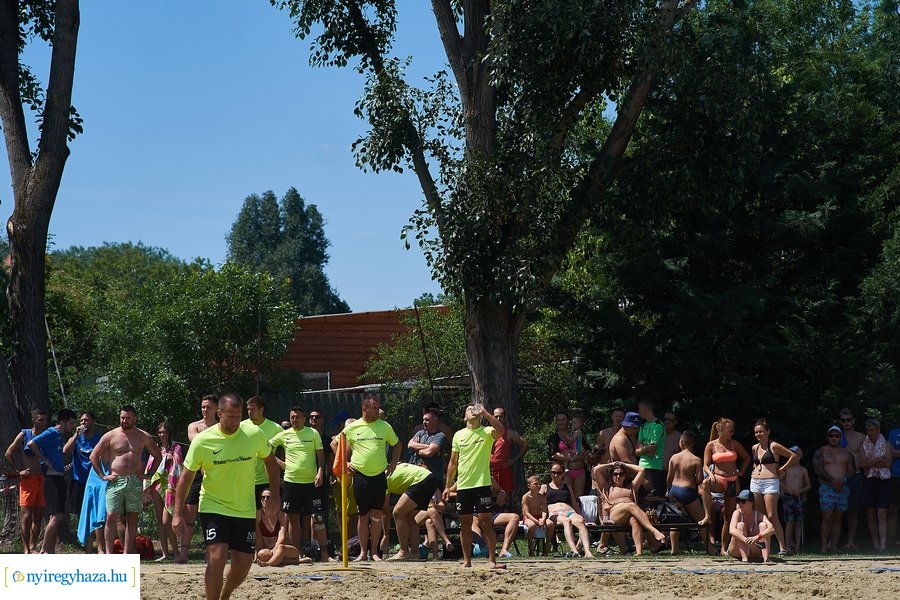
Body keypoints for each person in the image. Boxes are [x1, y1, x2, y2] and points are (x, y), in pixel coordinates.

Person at [172, 393, 281, 600]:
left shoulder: (253, 434)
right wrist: (177, 513)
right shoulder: (203, 440)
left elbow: (270, 460)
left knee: (243, 564)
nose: (235, 421)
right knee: (217, 555)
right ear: (219, 413)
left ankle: (225, 594)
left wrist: (275, 493)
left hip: (244, 508)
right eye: (230, 416)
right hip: (214, 505)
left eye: (238, 416)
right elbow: (185, 478)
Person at [90, 404, 161, 555]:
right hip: (116, 480)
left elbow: (157, 455)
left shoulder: (143, 436)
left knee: (132, 518)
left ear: (135, 419)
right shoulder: (110, 435)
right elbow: (93, 456)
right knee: (111, 516)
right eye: (122, 417)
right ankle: (109, 553)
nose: (124, 421)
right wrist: (103, 476)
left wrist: (149, 474)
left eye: (128, 418)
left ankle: (127, 553)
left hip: (135, 480)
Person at [444, 403, 507, 568]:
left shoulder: (486, 432)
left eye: (475, 409)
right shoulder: (458, 435)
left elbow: (501, 431)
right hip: (464, 486)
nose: (472, 410)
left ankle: (492, 560)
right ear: (465, 417)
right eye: (469, 409)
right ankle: (467, 561)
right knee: (465, 523)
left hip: (482, 484)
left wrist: (485, 413)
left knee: (485, 522)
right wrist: (447, 486)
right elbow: (453, 462)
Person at [340, 394, 401, 561]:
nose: (377, 411)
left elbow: (397, 445)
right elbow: (336, 444)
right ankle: (362, 552)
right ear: (364, 408)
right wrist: (345, 463)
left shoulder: (384, 426)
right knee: (363, 515)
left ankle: (374, 552)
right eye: (374, 408)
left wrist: (393, 464)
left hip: (379, 476)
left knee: (376, 514)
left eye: (377, 407)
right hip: (360, 476)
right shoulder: (353, 427)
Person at [267, 406, 329, 562]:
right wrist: (280, 463)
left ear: (304, 419)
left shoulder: (313, 433)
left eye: (297, 417)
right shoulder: (284, 435)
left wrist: (320, 472)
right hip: (291, 482)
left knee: (315, 517)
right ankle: (297, 554)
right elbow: (267, 449)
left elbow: (321, 457)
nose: (294, 420)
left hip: (311, 483)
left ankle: (321, 553)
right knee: (293, 518)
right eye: (292, 417)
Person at [26, 408, 77, 553]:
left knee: (56, 517)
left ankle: (50, 550)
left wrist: (63, 467)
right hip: (52, 479)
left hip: (59, 476)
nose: (72, 426)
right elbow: (31, 444)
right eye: (71, 423)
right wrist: (44, 460)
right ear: (62, 422)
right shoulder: (51, 432)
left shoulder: (59, 436)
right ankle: (44, 550)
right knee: (57, 516)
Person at [176, 394, 218, 563]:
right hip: (195, 473)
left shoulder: (221, 427)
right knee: (189, 515)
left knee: (211, 515)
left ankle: (210, 553)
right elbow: (196, 441)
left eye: (208, 407)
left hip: (214, 473)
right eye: (203, 406)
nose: (205, 410)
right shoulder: (194, 426)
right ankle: (184, 553)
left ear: (217, 409)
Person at [594, 461, 667, 555]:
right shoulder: (607, 487)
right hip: (615, 515)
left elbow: (641, 470)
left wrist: (624, 465)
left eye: (621, 474)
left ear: (625, 476)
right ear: (611, 476)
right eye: (615, 474)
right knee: (631, 505)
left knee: (634, 520)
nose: (618, 476)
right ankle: (654, 531)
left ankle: (639, 552)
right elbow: (596, 470)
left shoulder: (631, 487)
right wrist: (612, 464)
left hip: (629, 515)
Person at [701, 417, 750, 553]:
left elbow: (746, 458)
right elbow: (705, 464)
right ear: (721, 430)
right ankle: (707, 515)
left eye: (733, 430)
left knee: (728, 516)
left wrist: (741, 471)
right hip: (718, 478)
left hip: (733, 480)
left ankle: (723, 547)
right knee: (705, 484)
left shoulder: (735, 444)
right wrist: (710, 474)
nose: (732, 433)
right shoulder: (711, 445)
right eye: (730, 430)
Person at [749, 418, 797, 555]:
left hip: (770, 482)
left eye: (761, 431)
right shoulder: (755, 447)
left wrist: (783, 469)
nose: (758, 434)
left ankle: (783, 547)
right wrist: (754, 469)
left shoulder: (774, 446)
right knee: (761, 515)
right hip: (756, 482)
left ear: (768, 431)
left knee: (771, 515)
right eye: (756, 432)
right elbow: (755, 462)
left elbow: (793, 456)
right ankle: (765, 547)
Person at [4, 409, 49, 553]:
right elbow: (8, 453)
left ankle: (32, 546)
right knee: (26, 516)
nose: (44, 422)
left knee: (38, 516)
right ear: (33, 420)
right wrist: (19, 472)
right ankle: (25, 549)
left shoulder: (48, 436)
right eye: (40, 420)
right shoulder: (25, 434)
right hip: (28, 480)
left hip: (42, 479)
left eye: (45, 420)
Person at [384, 462, 441, 560]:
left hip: (421, 480)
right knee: (409, 517)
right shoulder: (394, 468)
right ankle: (415, 553)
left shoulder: (381, 480)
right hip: (430, 479)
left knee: (397, 512)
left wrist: (385, 535)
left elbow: (385, 511)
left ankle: (403, 551)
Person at [143, 421, 182, 560]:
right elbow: (150, 465)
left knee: (166, 521)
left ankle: (176, 552)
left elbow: (178, 466)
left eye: (164, 432)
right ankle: (165, 553)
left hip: (170, 487)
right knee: (160, 521)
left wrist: (169, 459)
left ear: (169, 433)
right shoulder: (156, 448)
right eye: (160, 432)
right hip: (156, 485)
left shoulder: (176, 447)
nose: (162, 435)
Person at [813, 425, 855, 553]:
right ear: (828, 437)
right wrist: (832, 480)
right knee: (827, 516)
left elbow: (852, 471)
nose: (834, 438)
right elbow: (818, 469)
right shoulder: (821, 451)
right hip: (827, 487)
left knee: (838, 517)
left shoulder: (847, 453)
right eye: (831, 435)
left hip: (842, 488)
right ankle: (823, 546)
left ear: (840, 437)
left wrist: (843, 480)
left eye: (836, 435)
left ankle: (834, 546)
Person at [63, 411, 103, 542]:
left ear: (93, 422)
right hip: (78, 481)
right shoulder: (77, 438)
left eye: (86, 420)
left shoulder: (99, 439)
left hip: (95, 482)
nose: (83, 423)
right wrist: (76, 435)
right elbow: (65, 451)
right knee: (82, 512)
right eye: (81, 421)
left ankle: (99, 544)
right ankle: (85, 542)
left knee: (97, 512)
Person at [666, 431, 707, 553]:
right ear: (693, 443)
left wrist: (668, 490)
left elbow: (669, 478)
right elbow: (699, 480)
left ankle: (674, 549)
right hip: (687, 491)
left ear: (681, 442)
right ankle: (709, 547)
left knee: (675, 519)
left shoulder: (674, 457)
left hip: (674, 490)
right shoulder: (696, 460)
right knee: (701, 520)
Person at [544, 461, 594, 558]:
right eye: (553, 472)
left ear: (563, 474)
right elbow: (539, 501)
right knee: (567, 521)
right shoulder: (545, 487)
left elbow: (574, 503)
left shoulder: (567, 486)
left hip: (569, 511)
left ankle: (587, 551)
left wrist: (581, 515)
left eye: (558, 473)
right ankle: (574, 550)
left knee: (581, 521)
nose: (555, 475)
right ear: (550, 473)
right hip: (555, 513)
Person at [241, 396, 283, 509]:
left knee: (267, 514)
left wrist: (284, 471)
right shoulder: (241, 427)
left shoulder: (276, 428)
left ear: (261, 410)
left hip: (266, 481)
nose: (249, 412)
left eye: (252, 409)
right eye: (248, 409)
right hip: (245, 480)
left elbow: (288, 449)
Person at [859, 418, 891, 552]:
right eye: (867, 430)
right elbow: (862, 464)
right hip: (869, 480)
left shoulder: (887, 444)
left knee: (882, 513)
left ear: (878, 430)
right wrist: (879, 459)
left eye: (872, 430)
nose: (869, 432)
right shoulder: (863, 445)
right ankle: (876, 544)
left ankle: (883, 545)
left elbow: (887, 463)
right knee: (870, 513)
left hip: (883, 481)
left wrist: (870, 462)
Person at [255, 487, 306, 567]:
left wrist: (275, 549)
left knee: (280, 548)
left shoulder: (282, 515)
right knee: (261, 554)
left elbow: (282, 537)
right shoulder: (257, 515)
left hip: (285, 547)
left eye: (268, 497)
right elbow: (259, 539)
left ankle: (268, 563)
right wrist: (258, 553)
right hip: (269, 549)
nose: (265, 499)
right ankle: (294, 561)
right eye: (263, 497)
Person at [837, 408, 866, 550]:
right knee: (837, 510)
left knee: (853, 510)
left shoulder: (861, 437)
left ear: (853, 421)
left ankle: (851, 541)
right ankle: (834, 541)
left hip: (856, 476)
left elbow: (866, 457)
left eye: (848, 420)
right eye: (843, 420)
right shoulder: (836, 435)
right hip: (839, 477)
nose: (846, 422)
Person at [548, 410, 588, 498]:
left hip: (580, 470)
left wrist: (580, 457)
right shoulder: (554, 437)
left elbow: (587, 450)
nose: (561, 422)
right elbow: (553, 454)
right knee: (566, 497)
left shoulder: (575, 433)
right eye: (559, 420)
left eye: (563, 419)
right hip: (565, 472)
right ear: (556, 422)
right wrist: (570, 459)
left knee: (579, 499)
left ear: (567, 421)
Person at [489, 407, 528, 496]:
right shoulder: (487, 432)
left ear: (505, 418)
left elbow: (525, 445)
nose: (498, 419)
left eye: (500, 416)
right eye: (496, 417)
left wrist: (514, 460)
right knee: (491, 499)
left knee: (505, 498)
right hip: (490, 472)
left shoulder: (509, 433)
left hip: (504, 471)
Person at [727, 489, 775, 562]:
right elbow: (732, 530)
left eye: (743, 501)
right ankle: (744, 558)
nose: (740, 503)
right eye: (738, 501)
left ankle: (766, 558)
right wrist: (746, 540)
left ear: (751, 503)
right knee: (740, 525)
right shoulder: (737, 513)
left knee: (763, 525)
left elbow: (771, 529)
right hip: (737, 551)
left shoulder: (759, 515)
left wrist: (757, 537)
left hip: (754, 549)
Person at [780, 445, 811, 554]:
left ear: (799, 456)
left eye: (794, 454)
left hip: (798, 498)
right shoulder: (786, 469)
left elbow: (808, 485)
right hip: (788, 497)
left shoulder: (803, 470)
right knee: (789, 522)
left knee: (798, 522)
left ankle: (797, 547)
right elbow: (779, 481)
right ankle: (787, 546)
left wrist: (801, 490)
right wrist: (787, 488)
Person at [407, 408, 449, 483]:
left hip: (434, 478)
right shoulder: (420, 433)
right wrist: (429, 447)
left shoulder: (440, 436)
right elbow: (410, 445)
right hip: (418, 476)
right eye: (423, 420)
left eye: (427, 420)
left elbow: (428, 453)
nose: (424, 422)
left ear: (435, 420)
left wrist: (416, 449)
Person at [636, 400, 666, 497]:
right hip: (641, 467)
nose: (638, 412)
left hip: (653, 468)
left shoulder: (658, 426)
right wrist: (645, 449)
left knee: (652, 498)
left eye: (640, 409)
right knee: (641, 497)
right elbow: (636, 451)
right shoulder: (643, 426)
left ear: (646, 409)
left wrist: (642, 449)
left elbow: (652, 451)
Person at [521, 474, 552, 556]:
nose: (538, 486)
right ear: (529, 486)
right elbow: (526, 513)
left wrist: (543, 519)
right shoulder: (526, 497)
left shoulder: (542, 497)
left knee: (550, 524)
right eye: (535, 484)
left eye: (539, 484)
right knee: (531, 526)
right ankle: (531, 548)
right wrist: (536, 521)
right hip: (529, 517)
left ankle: (546, 547)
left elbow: (544, 510)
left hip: (539, 516)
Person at [662, 411, 682, 475]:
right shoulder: (657, 434)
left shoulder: (680, 437)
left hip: (672, 474)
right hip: (655, 472)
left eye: (670, 420)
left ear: (676, 422)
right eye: (666, 419)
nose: (668, 421)